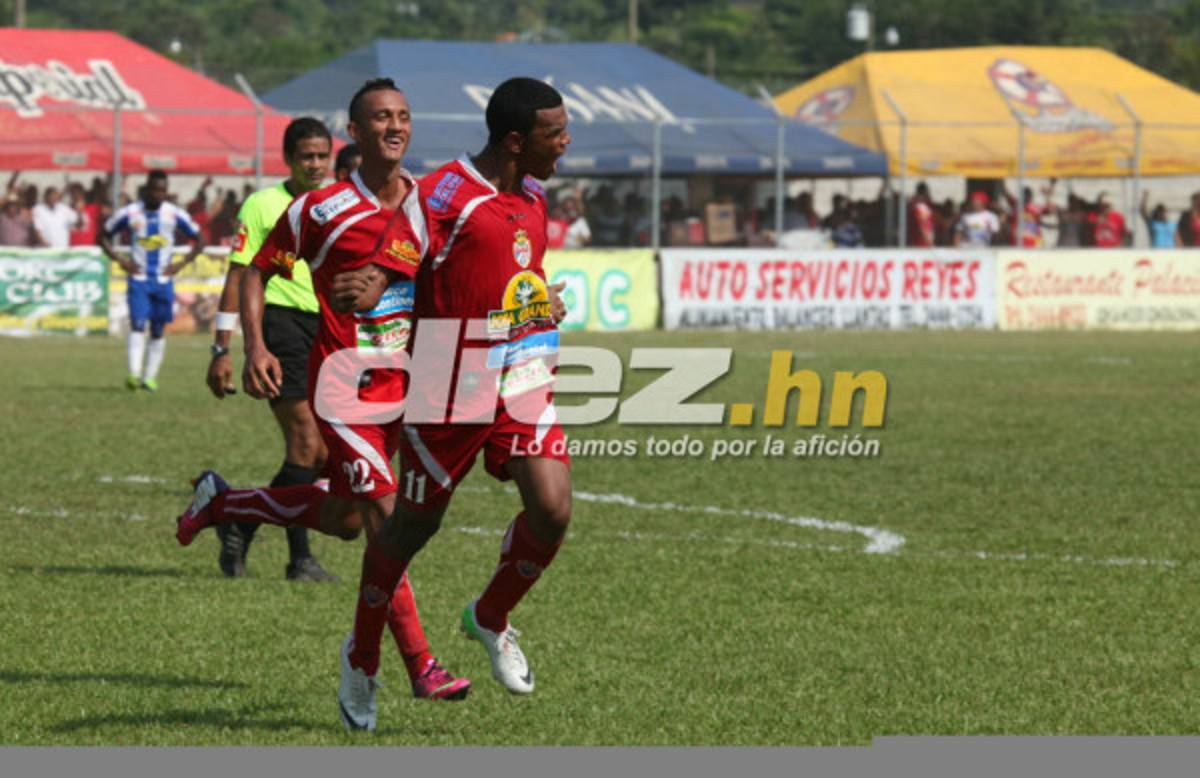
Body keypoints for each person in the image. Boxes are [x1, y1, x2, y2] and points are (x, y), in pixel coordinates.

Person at [174, 79, 473, 727]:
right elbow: (257, 267)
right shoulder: (322, 208)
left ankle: (222, 500)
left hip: (408, 386)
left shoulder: (430, 206)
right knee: (389, 522)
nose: (395, 127)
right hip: (343, 385)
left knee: (342, 518)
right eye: (380, 118)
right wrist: (252, 346)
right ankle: (419, 665)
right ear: (355, 133)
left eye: (403, 116)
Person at [342, 77, 574, 702]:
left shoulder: (531, 196)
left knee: (552, 509)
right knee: (409, 532)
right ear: (518, 142)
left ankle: (490, 617)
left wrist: (540, 301)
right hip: (449, 383)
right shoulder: (446, 193)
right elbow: (397, 256)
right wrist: (370, 282)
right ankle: (362, 655)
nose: (567, 144)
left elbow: (514, 276)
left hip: (519, 376)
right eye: (557, 135)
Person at [204, 117, 339, 582]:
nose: (316, 164)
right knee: (305, 441)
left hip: (331, 329)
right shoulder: (263, 205)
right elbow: (239, 276)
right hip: (279, 325)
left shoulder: (339, 204)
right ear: (288, 158)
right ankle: (300, 560)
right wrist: (222, 348)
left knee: (321, 455)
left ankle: (237, 518)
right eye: (307, 156)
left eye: (323, 155)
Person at [100, 170, 201, 391]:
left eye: (162, 190)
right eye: (155, 189)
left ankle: (149, 378)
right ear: (147, 189)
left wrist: (180, 263)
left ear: (167, 192)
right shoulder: (130, 212)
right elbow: (103, 235)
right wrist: (121, 260)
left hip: (163, 281)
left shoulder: (174, 214)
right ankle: (134, 375)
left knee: (157, 329)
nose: (158, 194)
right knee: (137, 325)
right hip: (138, 279)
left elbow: (199, 239)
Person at [907, 182, 935, 247]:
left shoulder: (912, 204)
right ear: (925, 192)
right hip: (921, 244)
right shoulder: (920, 206)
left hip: (913, 242)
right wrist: (930, 243)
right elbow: (923, 226)